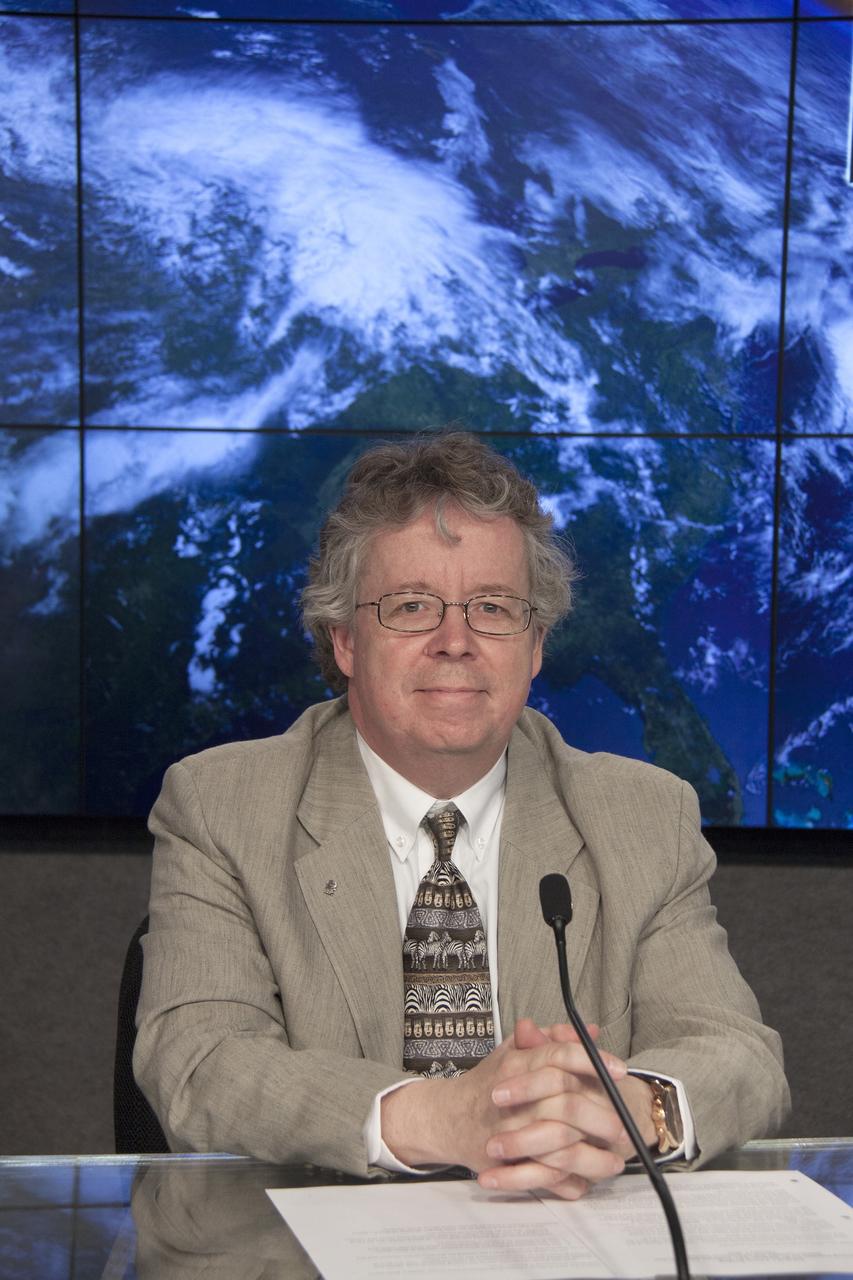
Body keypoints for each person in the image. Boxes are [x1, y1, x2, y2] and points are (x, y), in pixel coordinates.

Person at [136, 432, 789, 1199]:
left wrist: (627, 1112)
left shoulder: (642, 815)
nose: (456, 642)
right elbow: (198, 1063)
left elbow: (737, 1055)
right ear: (344, 640)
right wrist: (442, 1118)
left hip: (566, 1232)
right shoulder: (222, 808)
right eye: (412, 607)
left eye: (493, 608)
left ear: (535, 644)